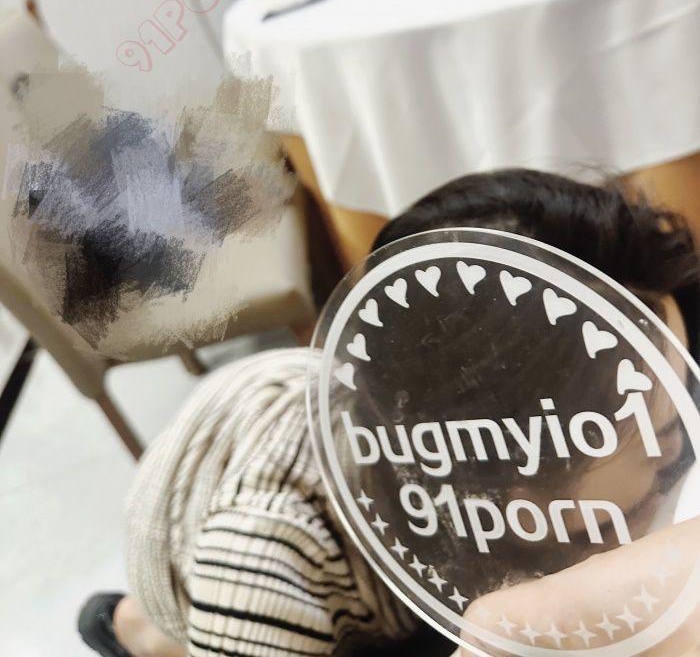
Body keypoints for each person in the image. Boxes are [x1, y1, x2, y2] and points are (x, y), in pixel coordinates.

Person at [78, 169, 700, 657]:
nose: (680, 452)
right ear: (506, 475)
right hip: (211, 551)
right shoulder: (271, 555)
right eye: (663, 435)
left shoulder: (581, 370)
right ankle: (139, 632)